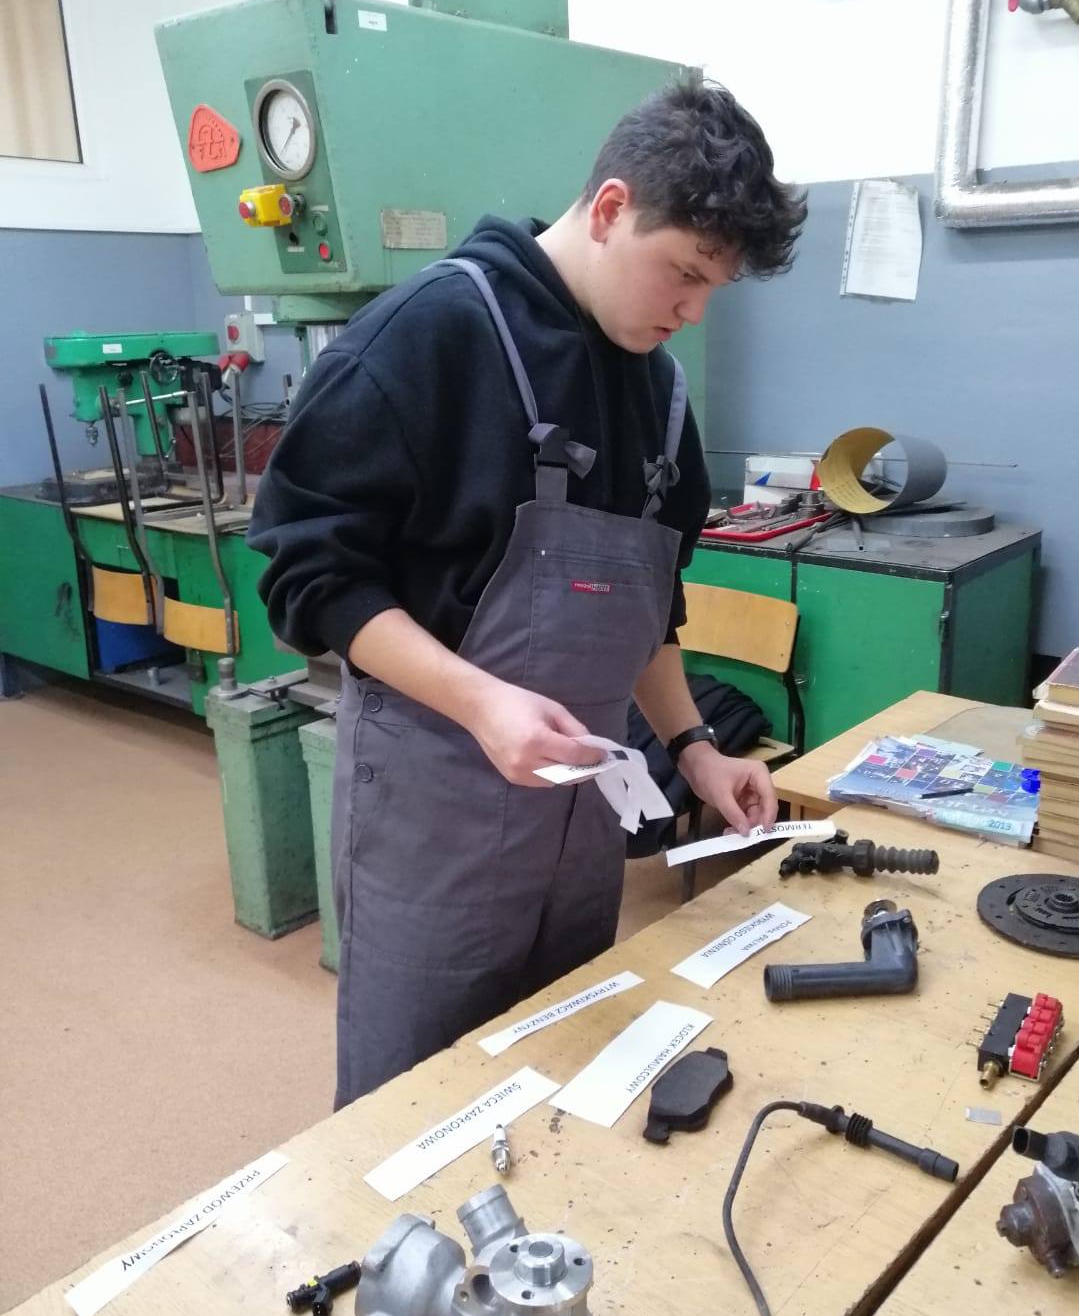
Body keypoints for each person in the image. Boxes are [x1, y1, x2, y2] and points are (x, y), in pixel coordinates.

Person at [248, 76, 808, 1108]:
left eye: (714, 289)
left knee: (555, 1067)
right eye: (683, 273)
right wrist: (480, 702)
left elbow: (648, 605)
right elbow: (309, 573)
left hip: (583, 813)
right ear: (609, 209)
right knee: (414, 1098)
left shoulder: (659, 388)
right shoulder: (426, 336)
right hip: (437, 804)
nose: (691, 310)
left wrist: (693, 747)